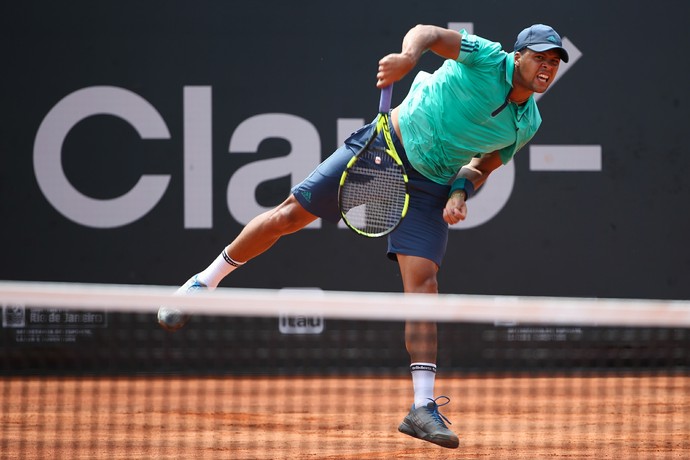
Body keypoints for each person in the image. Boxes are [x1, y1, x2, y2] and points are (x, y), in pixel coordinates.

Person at [158, 23, 569, 449]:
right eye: (540, 57)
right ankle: (202, 282)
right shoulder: (485, 57)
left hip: (433, 186)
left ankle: (421, 407)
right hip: (384, 146)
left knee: (425, 286)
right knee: (288, 217)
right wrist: (409, 59)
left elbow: (482, 165)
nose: (547, 67)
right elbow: (427, 33)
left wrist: (461, 193)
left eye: (554, 62)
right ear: (517, 56)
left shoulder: (528, 123)